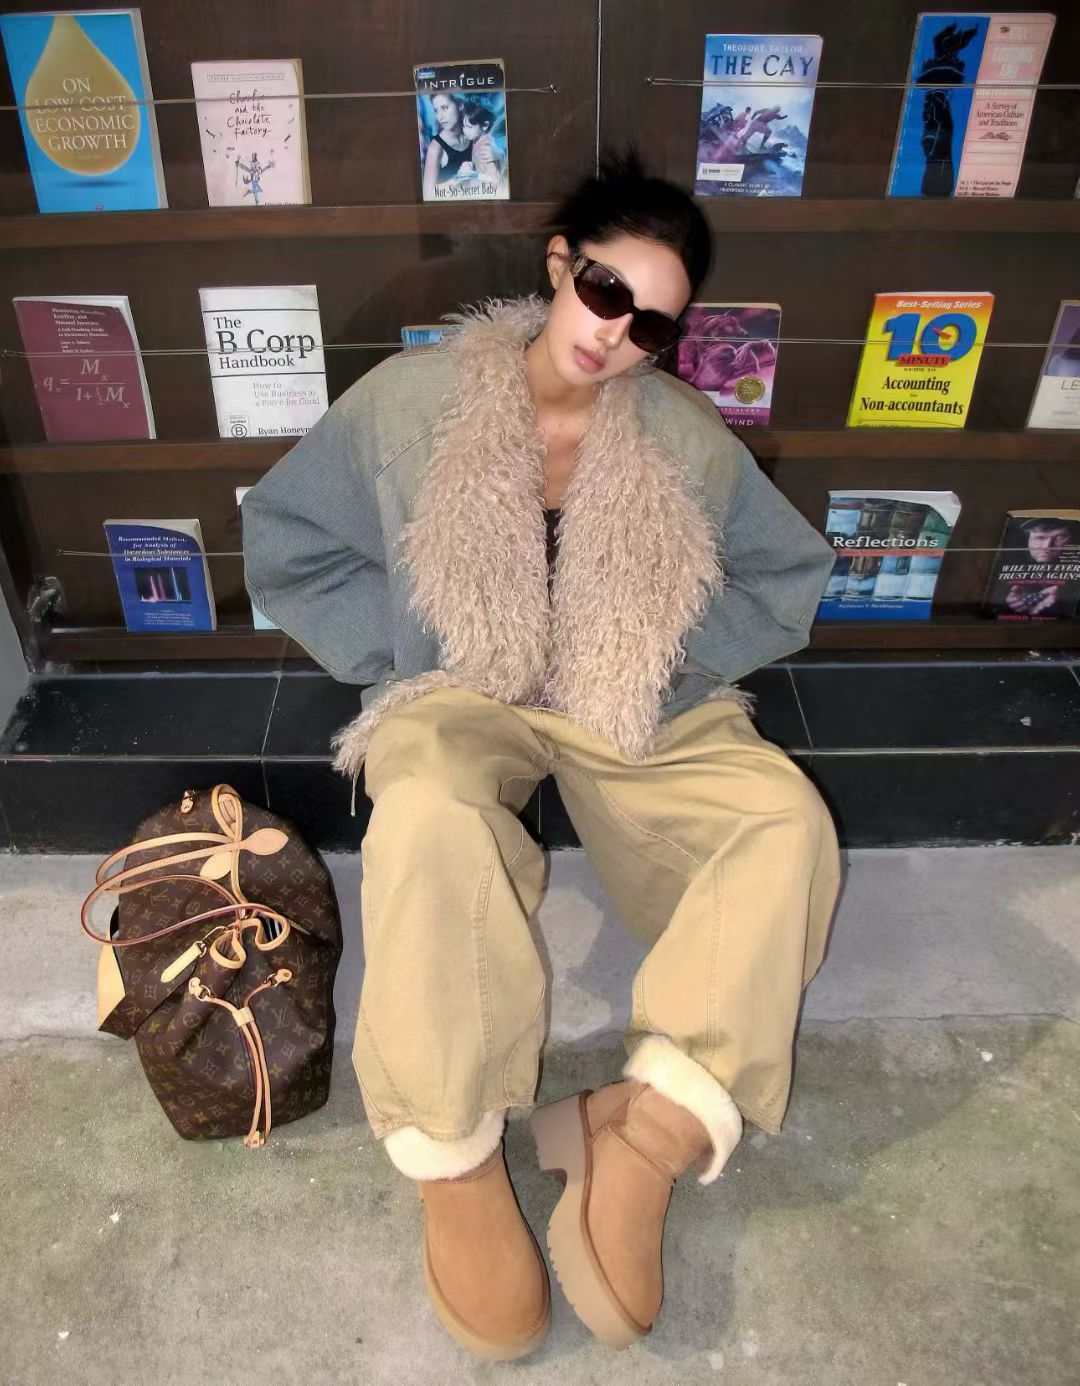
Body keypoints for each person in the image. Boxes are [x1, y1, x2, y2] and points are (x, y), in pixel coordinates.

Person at [242, 149, 842, 1361]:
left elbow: (786, 576)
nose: (617, 334)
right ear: (561, 265)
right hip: (466, 684)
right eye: (607, 291)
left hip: (627, 700)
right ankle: (455, 1152)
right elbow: (290, 539)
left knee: (786, 825)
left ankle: (649, 1129)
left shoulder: (681, 437)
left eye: (652, 324)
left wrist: (668, 660)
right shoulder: (409, 404)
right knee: (426, 809)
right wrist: (399, 652)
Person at [422, 91, 472, 197]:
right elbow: (428, 194)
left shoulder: (473, 135)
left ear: (460, 105)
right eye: (436, 111)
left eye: (444, 108)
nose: (440, 117)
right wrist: (458, 178)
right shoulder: (436, 148)